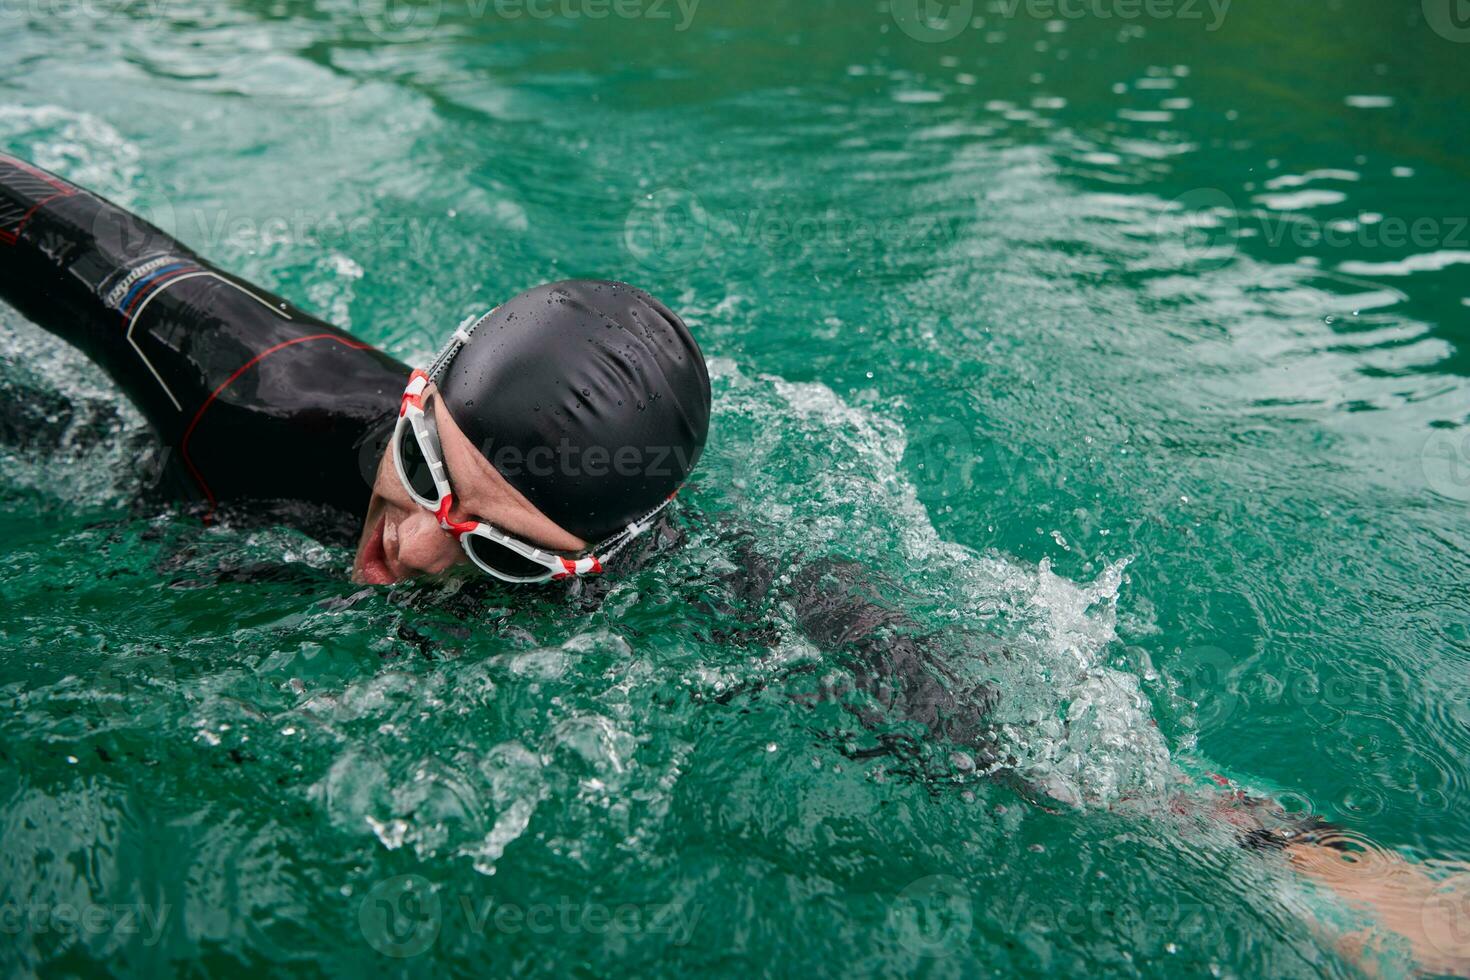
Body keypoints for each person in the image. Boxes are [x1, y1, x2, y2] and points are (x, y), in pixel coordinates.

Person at [2, 153, 1466, 973]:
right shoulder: (253, 384)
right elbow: (38, 217)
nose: (407, 547)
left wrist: (1308, 868)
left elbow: (990, 723)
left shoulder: (698, 584)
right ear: (412, 398)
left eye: (505, 556)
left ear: (600, 562)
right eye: (429, 475)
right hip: (121, 485)